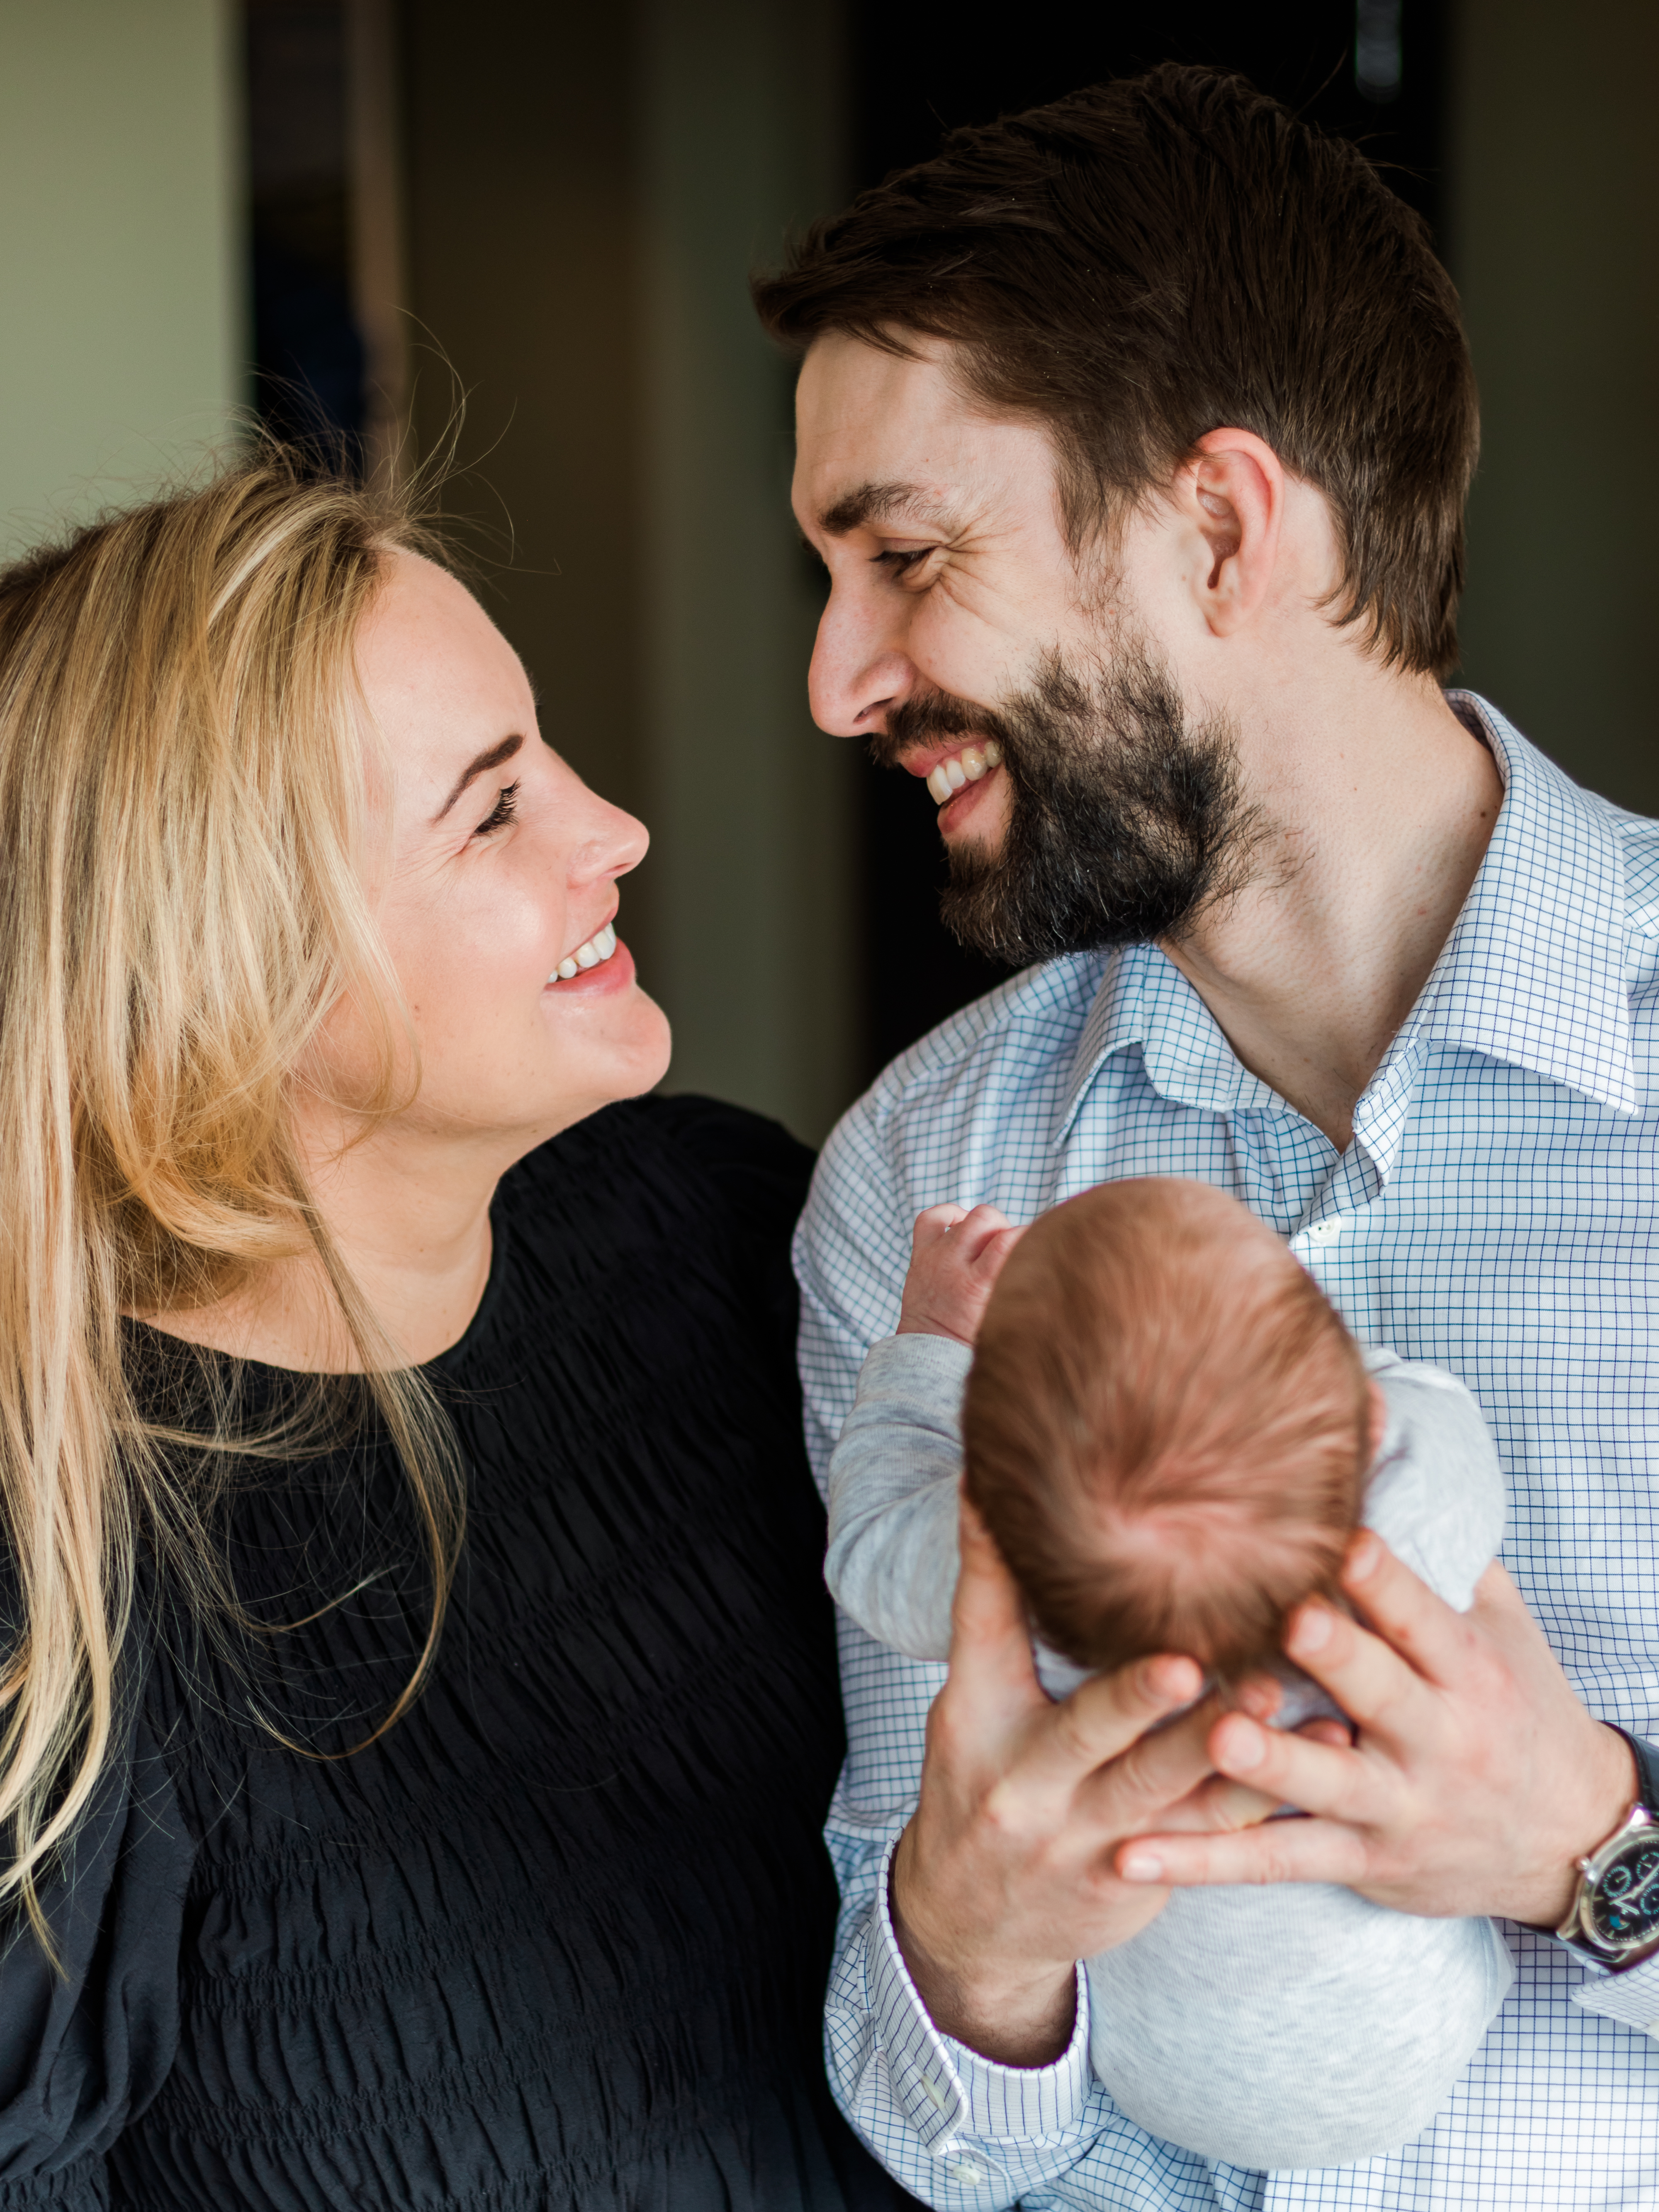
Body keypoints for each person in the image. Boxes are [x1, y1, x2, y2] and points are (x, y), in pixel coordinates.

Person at [752, 61, 1659, 2210]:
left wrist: (1595, 1853)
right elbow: (938, 2130)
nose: (834, 680)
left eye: (906, 559)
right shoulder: (919, 1180)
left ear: (1229, 528)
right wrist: (966, 1939)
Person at [0, 455, 913, 2212]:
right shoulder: (62, 1580)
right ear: (229, 965)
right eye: (494, 811)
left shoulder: (726, 1227)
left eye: (546, 753)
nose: (614, 831)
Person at [824, 1181, 1512, 2170]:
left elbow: (873, 1537)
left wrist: (935, 1338)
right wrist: (1360, 1389)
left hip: (1158, 2072)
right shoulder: (1391, 1514)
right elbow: (1440, 1425)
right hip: (1425, 2010)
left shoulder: (1003, 1571)